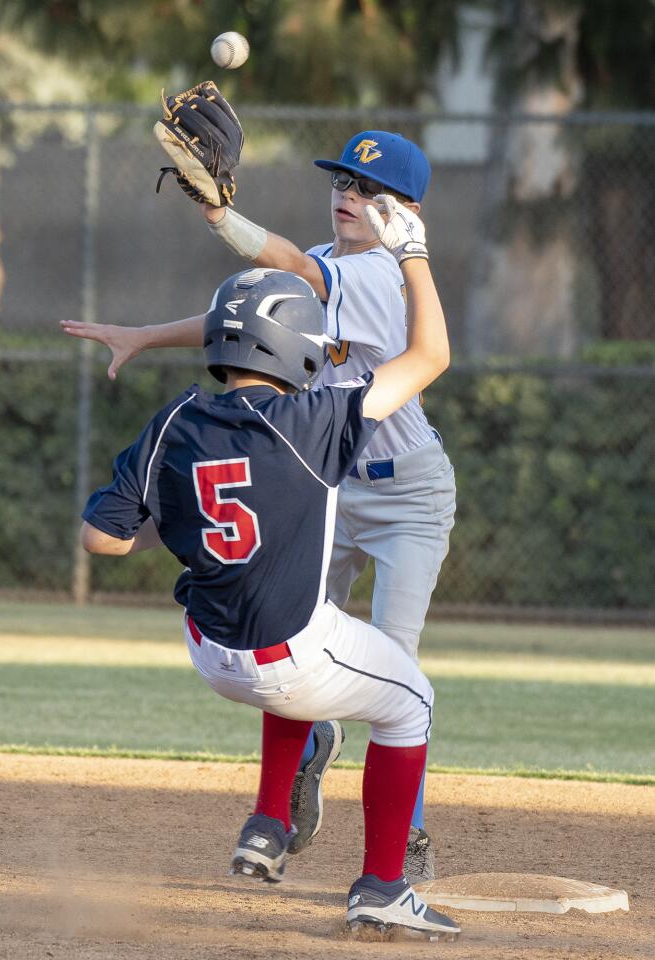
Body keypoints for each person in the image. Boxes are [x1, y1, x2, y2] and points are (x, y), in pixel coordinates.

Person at [62, 129, 456, 882]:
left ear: (406, 212)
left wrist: (220, 218)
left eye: (369, 190)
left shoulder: (379, 273)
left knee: (395, 662)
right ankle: (272, 817)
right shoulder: (331, 262)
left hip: (406, 491)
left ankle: (403, 834)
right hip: (324, 478)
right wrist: (147, 335)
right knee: (296, 624)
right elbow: (252, 320)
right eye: (342, 181)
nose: (348, 195)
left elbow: (289, 268)